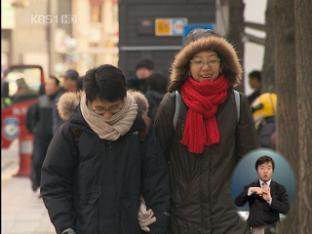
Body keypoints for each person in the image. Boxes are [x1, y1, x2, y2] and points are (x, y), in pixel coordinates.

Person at [138, 29, 258, 233]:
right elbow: (155, 161)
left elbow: (250, 161)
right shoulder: (173, 103)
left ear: (223, 63)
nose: (206, 67)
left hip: (229, 218)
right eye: (198, 61)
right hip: (183, 217)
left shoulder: (237, 103)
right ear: (187, 65)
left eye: (212, 60)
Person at [40, 64, 170, 234]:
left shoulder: (140, 129)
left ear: (124, 98)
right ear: (88, 100)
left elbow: (157, 182)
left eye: (115, 109)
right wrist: (65, 226)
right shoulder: (73, 132)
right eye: (100, 110)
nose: (108, 116)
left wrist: (158, 225)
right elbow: (54, 183)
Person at [235, 156, 289, 233]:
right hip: (255, 228)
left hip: (273, 229)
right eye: (262, 168)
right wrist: (250, 191)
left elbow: (286, 209)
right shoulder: (251, 187)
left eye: (269, 168)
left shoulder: (280, 188)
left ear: (273, 170)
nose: (265, 171)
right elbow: (238, 202)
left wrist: (270, 200)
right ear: (257, 170)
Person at [25, 76, 62, 192]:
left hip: (55, 138)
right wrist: (35, 130)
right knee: (38, 160)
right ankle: (37, 182)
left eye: (50, 85)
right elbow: (32, 118)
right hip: (41, 137)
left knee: (52, 163)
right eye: (46, 84)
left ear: (57, 87)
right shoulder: (40, 101)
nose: (48, 87)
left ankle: (47, 187)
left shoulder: (61, 100)